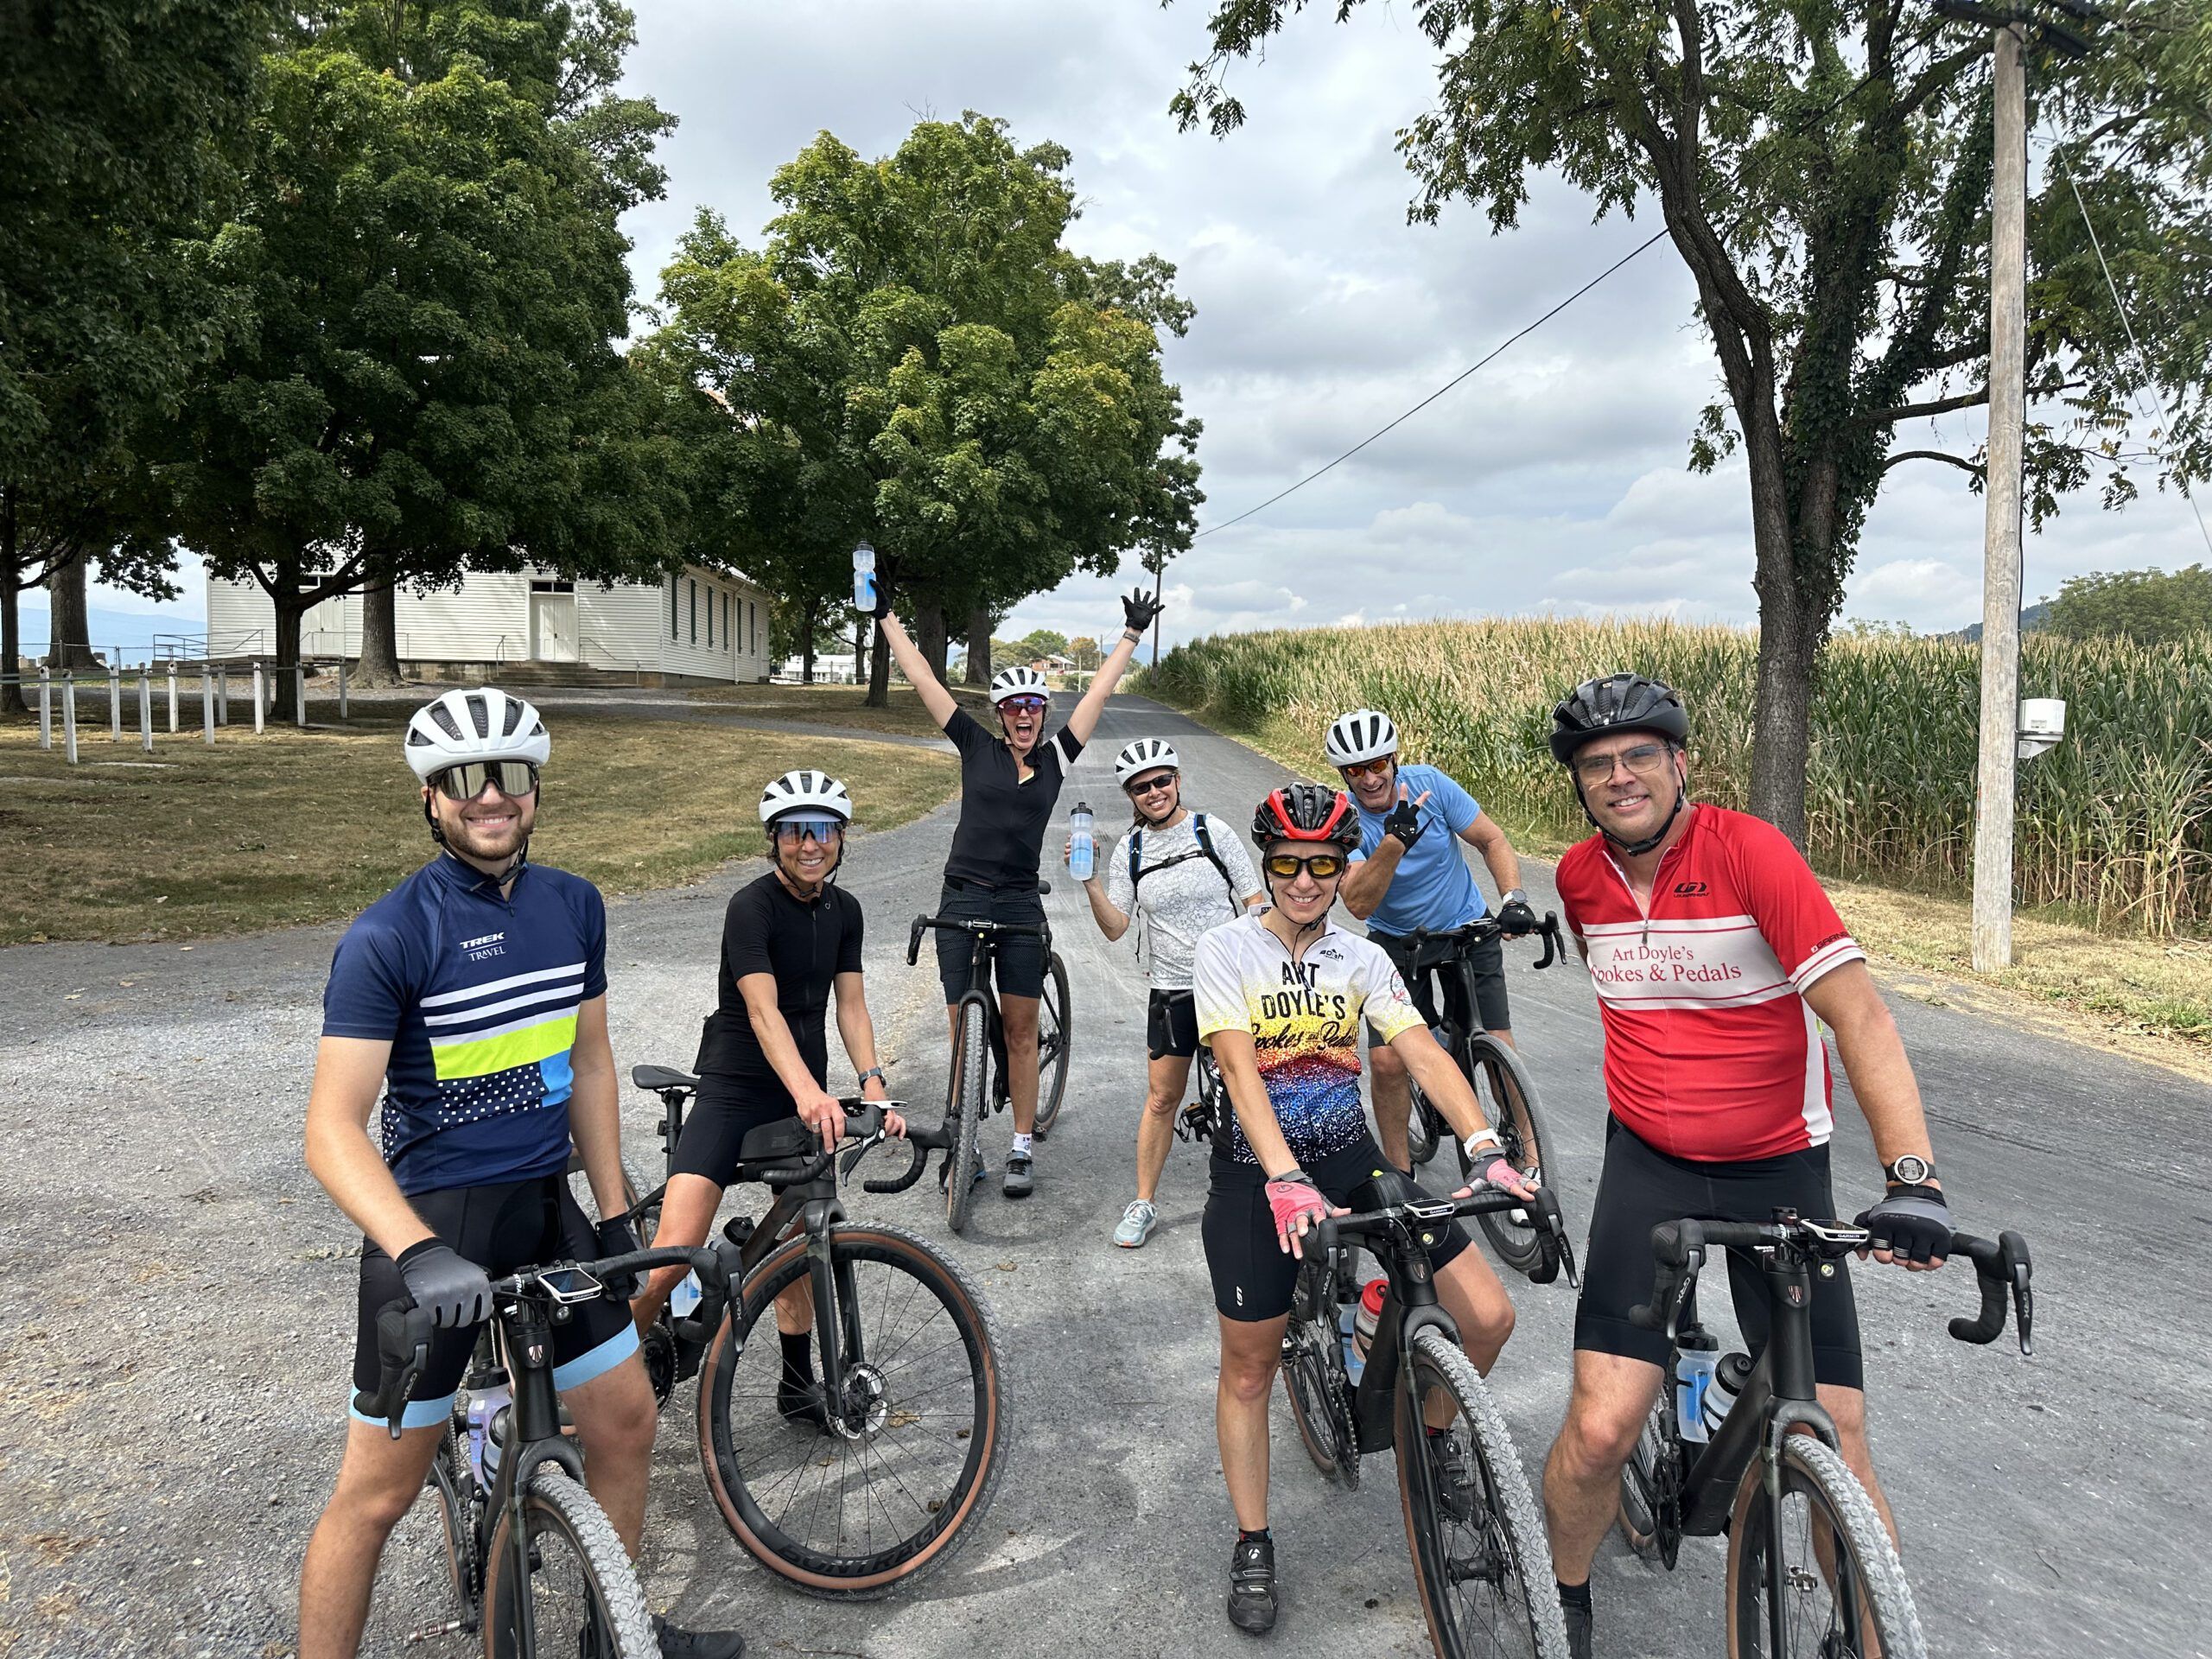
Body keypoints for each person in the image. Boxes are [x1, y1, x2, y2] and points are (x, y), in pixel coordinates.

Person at [297, 688, 742, 1659]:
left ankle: (608, 1637)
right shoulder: (389, 937)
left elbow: (586, 1067)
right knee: (377, 1495)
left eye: (507, 778)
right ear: (430, 798)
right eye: (464, 780)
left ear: (534, 791)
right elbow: (331, 1130)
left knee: (625, 1424)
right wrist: (415, 1251)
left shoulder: (574, 906)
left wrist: (620, 1219)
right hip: (433, 1235)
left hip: (548, 1212)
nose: (487, 797)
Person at [1537, 673, 1955, 1659]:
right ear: (1580, 786)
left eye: (1640, 755)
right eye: (1597, 765)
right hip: (1649, 1166)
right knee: (1601, 1429)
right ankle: (1561, 1597)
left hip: (1779, 1171)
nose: (1619, 776)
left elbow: (1859, 1015)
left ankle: (1863, 1637)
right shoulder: (1577, 880)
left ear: (1681, 764)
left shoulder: (1750, 852)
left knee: (1830, 1437)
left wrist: (1912, 1178)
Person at [1191, 781, 1536, 1635]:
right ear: (1266, 865)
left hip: (1349, 1163)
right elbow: (1239, 1070)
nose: (1304, 882)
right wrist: (1280, 1173)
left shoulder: (1362, 958)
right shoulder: (1226, 950)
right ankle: (1253, 1539)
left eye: (1321, 865)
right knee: (1247, 1370)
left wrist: (1485, 1145)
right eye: (1286, 865)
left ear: (1342, 865)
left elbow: (1421, 1052)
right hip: (1253, 1174)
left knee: (1488, 1317)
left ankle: (1432, 1430)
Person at [628, 769, 905, 1427]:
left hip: (801, 1093)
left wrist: (872, 1083)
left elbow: (853, 1005)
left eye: (824, 831)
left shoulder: (847, 912)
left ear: (841, 838)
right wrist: (811, 1093)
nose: (810, 845)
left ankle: (794, 1383)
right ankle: (608, 1370)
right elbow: (761, 1010)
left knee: (805, 1235)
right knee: (672, 1256)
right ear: (773, 839)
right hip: (735, 1091)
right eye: (793, 831)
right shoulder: (749, 907)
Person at [876, 583, 1163, 1198]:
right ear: (1000, 716)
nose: (1026, 715)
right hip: (963, 897)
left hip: (1017, 902)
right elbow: (924, 677)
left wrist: (1131, 636)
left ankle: (1021, 1144)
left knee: (1020, 1031)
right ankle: (963, 1138)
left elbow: (1097, 693)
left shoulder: (1058, 757)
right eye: (1014, 708)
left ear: (1042, 713)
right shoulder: (975, 746)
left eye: (1034, 706)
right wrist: (887, 618)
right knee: (962, 1029)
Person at [1325, 708, 1538, 1171]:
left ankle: (1530, 1157)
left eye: (1377, 765)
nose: (1369, 778)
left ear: (1394, 759)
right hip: (1398, 941)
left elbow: (1491, 839)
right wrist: (1393, 842)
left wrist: (1513, 898)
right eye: (1355, 770)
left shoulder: (1432, 786)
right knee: (1387, 1062)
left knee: (1497, 1043)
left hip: (1466, 927)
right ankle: (1399, 1174)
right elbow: (1358, 903)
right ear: (1344, 774)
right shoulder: (1345, 818)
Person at [1071, 737, 1262, 1248]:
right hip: (1171, 988)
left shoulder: (1211, 830)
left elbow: (1255, 901)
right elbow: (1116, 927)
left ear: (1177, 781)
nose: (1153, 792)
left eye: (1161, 781)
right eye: (1141, 787)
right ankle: (1143, 1202)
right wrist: (1090, 882)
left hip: (1229, 987)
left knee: (1246, 1092)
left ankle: (1265, 1189)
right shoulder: (1131, 850)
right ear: (1130, 797)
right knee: (1162, 1099)